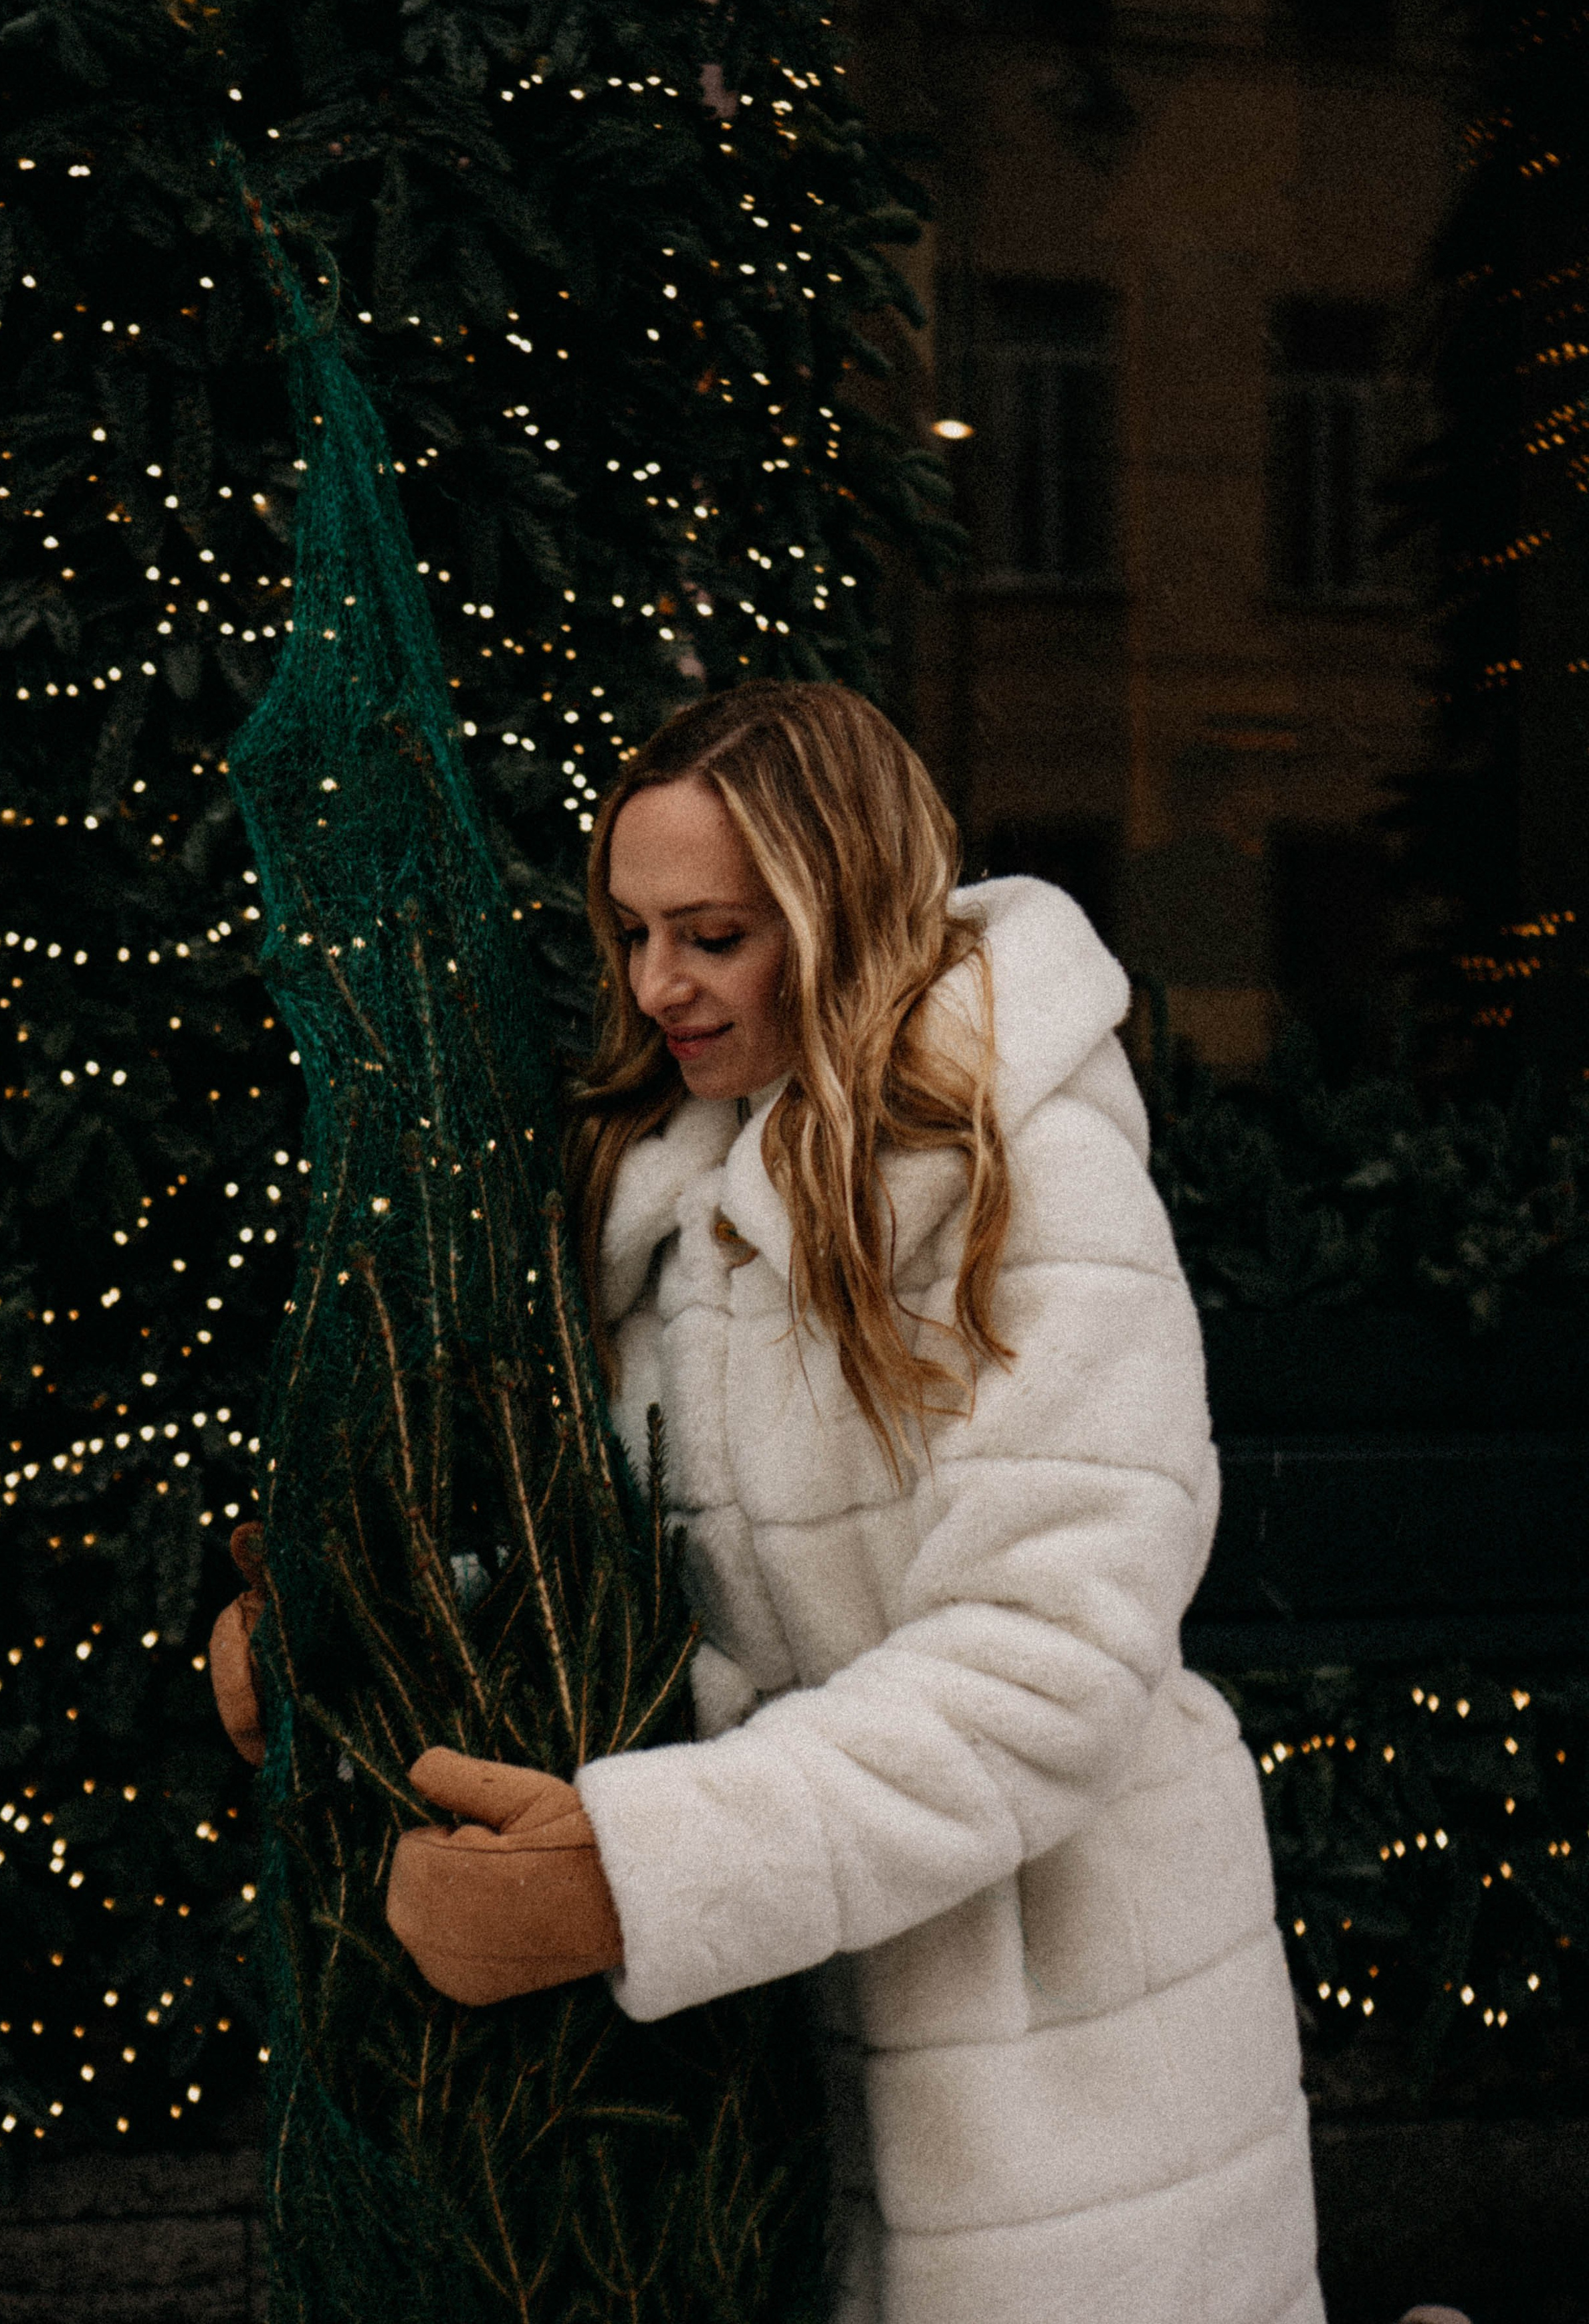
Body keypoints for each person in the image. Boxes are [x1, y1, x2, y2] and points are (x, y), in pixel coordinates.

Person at [213, 680, 1324, 2324]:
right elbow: (622, 1568)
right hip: (765, 2063)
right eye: (633, 930)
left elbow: (1051, 1663)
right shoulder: (664, 1190)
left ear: (838, 906)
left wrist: (646, 1870)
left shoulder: (1032, 1173)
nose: (657, 982)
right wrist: (358, 1634)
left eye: (713, 934)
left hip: (1051, 2059)